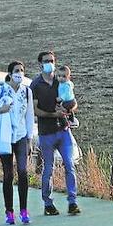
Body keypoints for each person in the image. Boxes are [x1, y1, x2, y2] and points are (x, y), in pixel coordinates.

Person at [0, 60, 34, 225]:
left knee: (23, 172)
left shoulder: (27, 91)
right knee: (8, 174)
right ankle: (9, 211)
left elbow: (29, 115)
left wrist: (30, 138)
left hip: (21, 135)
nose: (20, 73)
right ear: (10, 74)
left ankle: (24, 210)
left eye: (22, 71)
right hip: (5, 137)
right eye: (17, 71)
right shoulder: (1, 90)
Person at [31, 50, 80, 216]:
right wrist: (54, 114)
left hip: (63, 130)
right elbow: (35, 110)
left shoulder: (61, 80)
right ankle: (48, 202)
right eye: (46, 61)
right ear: (40, 64)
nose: (49, 63)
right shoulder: (36, 85)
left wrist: (68, 109)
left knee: (69, 164)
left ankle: (72, 201)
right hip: (46, 132)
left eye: (52, 60)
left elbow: (73, 101)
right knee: (48, 168)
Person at [56, 64, 79, 129]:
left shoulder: (66, 85)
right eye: (59, 76)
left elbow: (66, 93)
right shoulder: (62, 83)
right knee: (69, 111)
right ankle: (72, 120)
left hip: (69, 101)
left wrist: (61, 98)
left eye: (64, 76)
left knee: (61, 111)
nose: (61, 78)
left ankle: (65, 123)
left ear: (68, 77)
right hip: (70, 100)